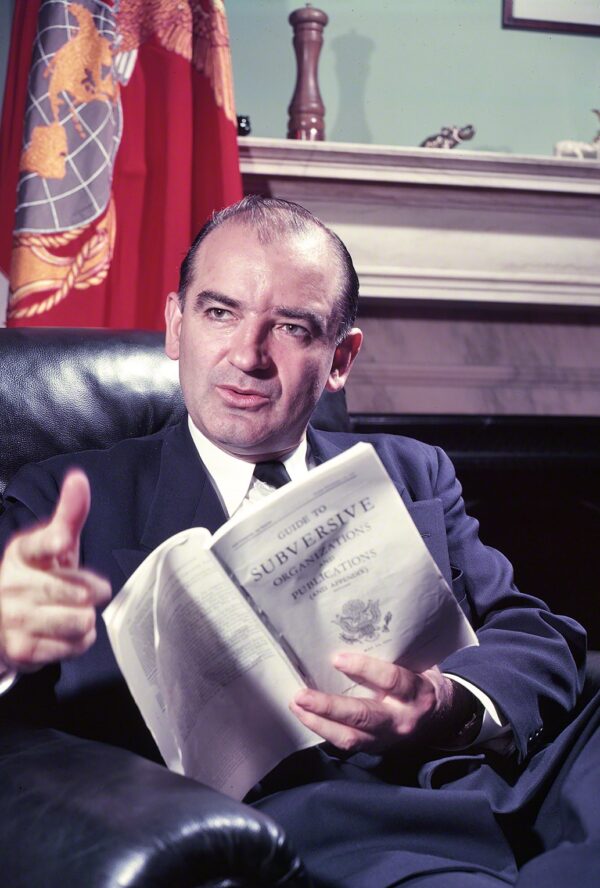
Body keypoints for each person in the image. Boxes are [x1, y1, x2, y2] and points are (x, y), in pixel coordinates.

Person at [0, 196, 598, 887]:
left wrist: (449, 704)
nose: (248, 356)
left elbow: (537, 632)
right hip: (331, 836)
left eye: (291, 327)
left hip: (512, 789)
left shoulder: (412, 469)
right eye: (219, 313)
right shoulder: (68, 496)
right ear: (175, 325)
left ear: (341, 358)